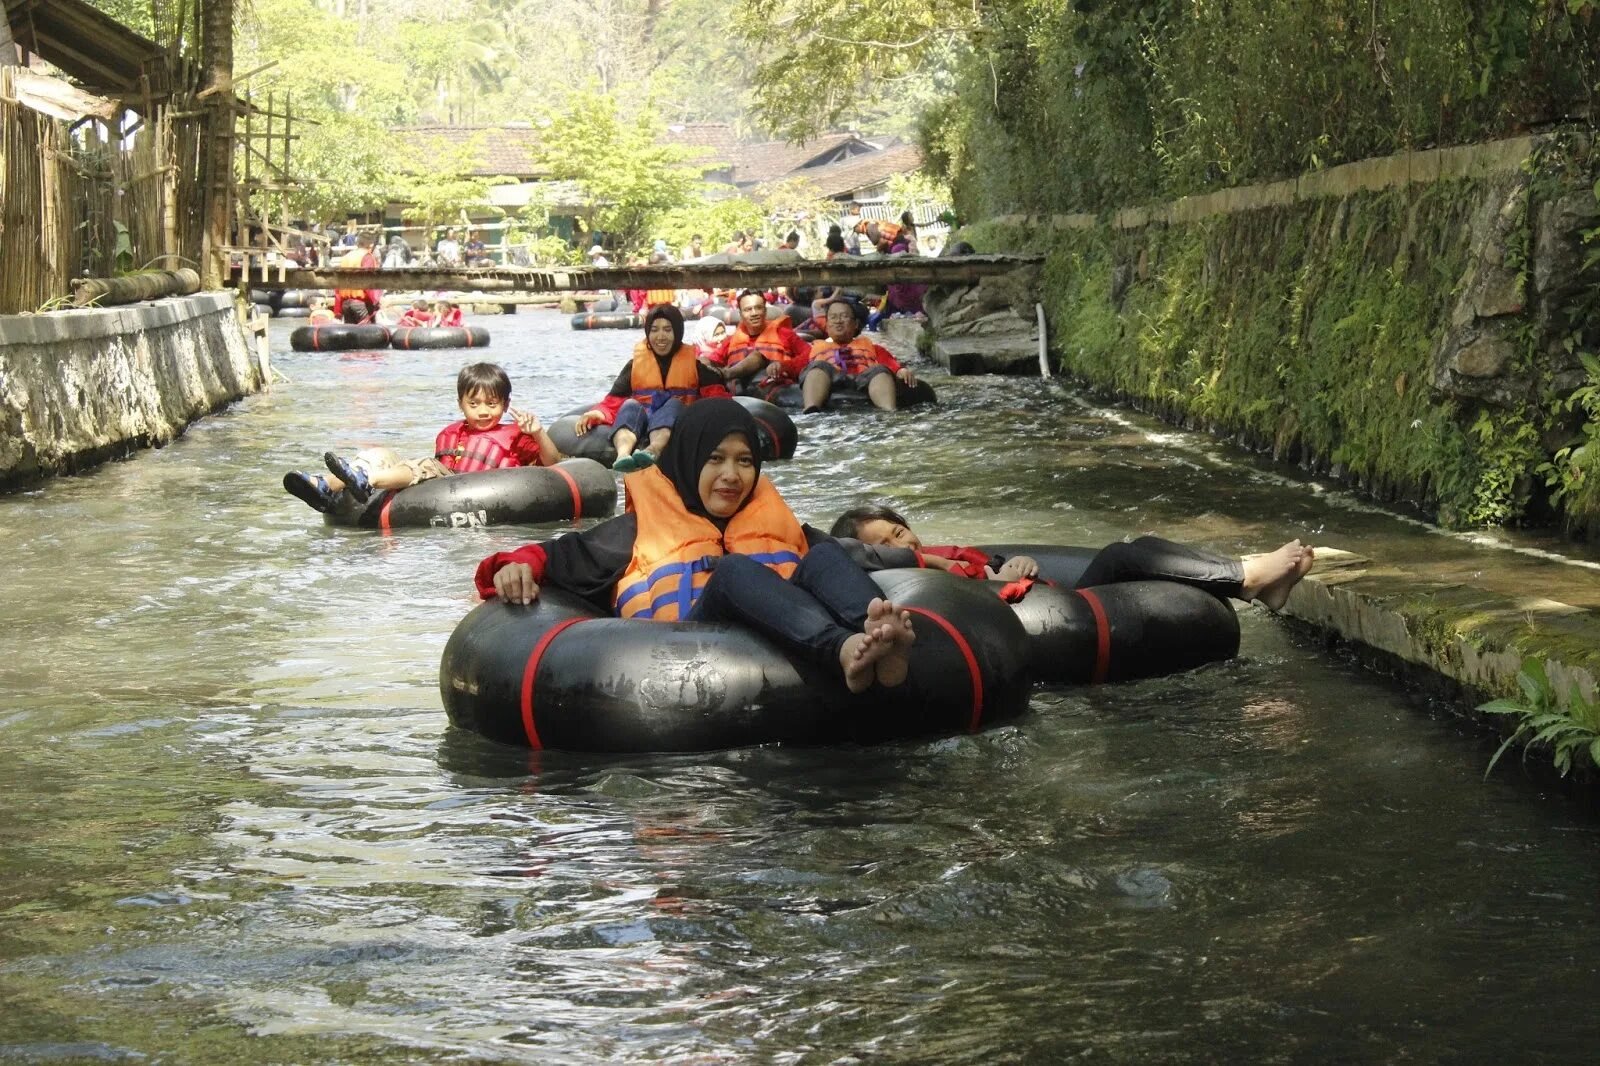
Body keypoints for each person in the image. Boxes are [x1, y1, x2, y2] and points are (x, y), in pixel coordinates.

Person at [478, 399, 917, 696]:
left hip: (783, 642)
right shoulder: (637, 529)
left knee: (823, 554)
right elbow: (558, 556)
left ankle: (881, 640)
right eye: (715, 459)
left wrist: (945, 560)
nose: (732, 476)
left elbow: (861, 555)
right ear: (688, 458)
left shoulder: (778, 525)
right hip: (691, 649)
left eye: (745, 461)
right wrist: (515, 565)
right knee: (733, 572)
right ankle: (842, 648)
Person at [829, 504, 1316, 611]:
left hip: (1052, 600)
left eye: (900, 531)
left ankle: (1258, 586)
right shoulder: (894, 582)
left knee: (1142, 544)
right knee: (1122, 555)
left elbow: (997, 564)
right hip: (1052, 619)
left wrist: (1013, 563)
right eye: (887, 544)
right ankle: (1247, 578)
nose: (904, 544)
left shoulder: (943, 553)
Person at [283, 363, 563, 513]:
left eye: (492, 404)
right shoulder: (451, 433)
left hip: (464, 485)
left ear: (505, 404)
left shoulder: (515, 435)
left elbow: (554, 464)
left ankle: (367, 482)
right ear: (460, 404)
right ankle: (325, 484)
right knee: (379, 454)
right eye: (474, 404)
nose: (483, 411)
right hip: (438, 483)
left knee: (426, 465)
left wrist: (538, 432)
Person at [571, 304, 731, 472]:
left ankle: (653, 450)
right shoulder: (634, 366)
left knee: (674, 404)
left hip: (674, 420)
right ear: (648, 332)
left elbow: (716, 398)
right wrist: (596, 413)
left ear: (677, 332)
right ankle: (623, 455)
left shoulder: (696, 367)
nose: (660, 337)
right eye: (654, 330)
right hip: (641, 419)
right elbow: (613, 401)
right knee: (629, 405)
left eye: (667, 330)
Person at [794, 299, 915, 412]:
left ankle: (889, 411)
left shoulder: (872, 348)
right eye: (833, 317)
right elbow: (793, 365)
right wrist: (779, 367)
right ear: (827, 324)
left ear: (855, 324)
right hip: (831, 380)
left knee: (880, 370)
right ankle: (812, 409)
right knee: (816, 367)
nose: (838, 321)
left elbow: (889, 362)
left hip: (864, 381)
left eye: (844, 316)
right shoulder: (814, 350)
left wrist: (900, 370)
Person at [704, 290, 811, 391]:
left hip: (773, 388)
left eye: (758, 308)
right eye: (748, 310)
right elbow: (712, 360)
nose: (754, 313)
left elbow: (810, 354)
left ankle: (727, 373)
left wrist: (785, 366)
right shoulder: (730, 341)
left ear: (765, 311)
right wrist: (702, 362)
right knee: (703, 361)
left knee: (757, 356)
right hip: (739, 392)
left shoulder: (784, 334)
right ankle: (727, 374)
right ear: (740, 314)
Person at [332, 235, 382, 323]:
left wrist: (338, 310)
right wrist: (377, 301)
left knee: (351, 334)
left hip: (346, 304)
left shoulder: (345, 258)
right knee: (368, 334)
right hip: (361, 304)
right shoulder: (366, 257)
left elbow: (338, 285)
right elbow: (368, 281)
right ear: (371, 245)